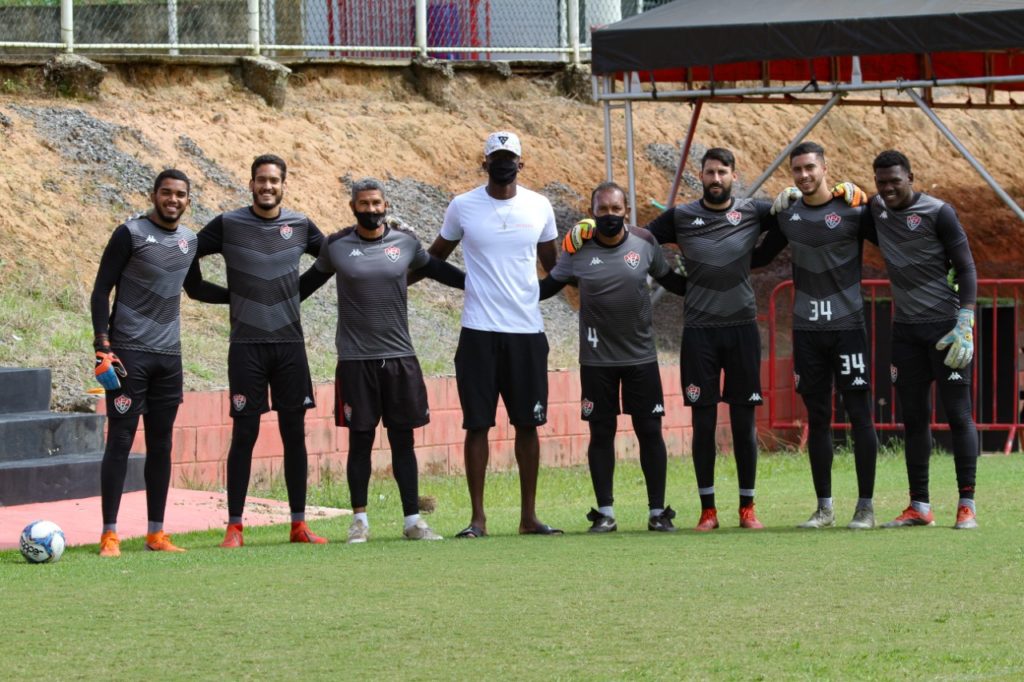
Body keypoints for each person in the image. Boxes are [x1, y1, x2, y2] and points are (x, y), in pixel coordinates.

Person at [299, 178, 465, 542]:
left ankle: (412, 522)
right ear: (353, 207)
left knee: (402, 440)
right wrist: (267, 303)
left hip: (400, 358)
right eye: (364, 204)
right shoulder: (336, 246)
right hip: (355, 361)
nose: (371, 209)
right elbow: (306, 285)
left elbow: (437, 269)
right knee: (360, 442)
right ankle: (359, 520)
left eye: (376, 203)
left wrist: (476, 284)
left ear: (385, 204)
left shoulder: (405, 243)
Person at [426, 131, 560, 538]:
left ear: (522, 163)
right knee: (477, 425)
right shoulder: (462, 206)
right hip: (478, 331)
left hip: (526, 331)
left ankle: (528, 518)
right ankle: (477, 519)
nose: (503, 163)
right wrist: (467, 283)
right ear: (483, 163)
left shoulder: (540, 206)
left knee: (528, 425)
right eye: (496, 157)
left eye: (510, 157)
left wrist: (532, 296)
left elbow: (554, 268)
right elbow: (433, 259)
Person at [191, 154, 328, 547]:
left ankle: (298, 525)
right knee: (245, 432)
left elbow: (332, 259)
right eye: (261, 180)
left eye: (274, 181)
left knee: (293, 435)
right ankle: (234, 526)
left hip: (289, 346)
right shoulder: (228, 224)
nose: (267, 187)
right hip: (246, 346)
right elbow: (187, 254)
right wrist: (214, 294)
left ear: (284, 184)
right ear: (250, 184)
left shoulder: (300, 225)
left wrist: (296, 293)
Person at [90, 169, 229, 557]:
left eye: (180, 194)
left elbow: (196, 288)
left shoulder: (189, 241)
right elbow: (102, 290)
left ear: (188, 200)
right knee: (119, 440)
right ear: (154, 195)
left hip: (169, 357)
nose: (173, 199)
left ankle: (156, 534)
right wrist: (102, 343)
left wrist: (241, 297)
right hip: (128, 354)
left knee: (162, 444)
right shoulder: (130, 234)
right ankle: (109, 534)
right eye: (166, 193)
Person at [539, 182, 687, 532]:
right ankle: (605, 513)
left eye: (615, 209)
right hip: (596, 360)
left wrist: (711, 281)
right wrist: (506, 290)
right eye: (602, 209)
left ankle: (656, 513)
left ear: (627, 212)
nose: (609, 215)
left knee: (649, 430)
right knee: (601, 433)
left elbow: (671, 280)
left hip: (641, 358)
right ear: (591, 213)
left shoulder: (645, 244)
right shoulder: (577, 249)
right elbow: (549, 287)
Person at [752, 142, 878, 529]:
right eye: (797, 171)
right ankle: (824, 508)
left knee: (860, 416)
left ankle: (866, 508)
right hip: (808, 330)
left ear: (825, 167)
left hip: (848, 328)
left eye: (810, 168)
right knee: (818, 418)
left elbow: (894, 236)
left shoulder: (854, 210)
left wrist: (869, 199)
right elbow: (756, 256)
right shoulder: (789, 215)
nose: (804, 176)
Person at [868, 150, 979, 530]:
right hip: (905, 332)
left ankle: (966, 504)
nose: (887, 188)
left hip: (947, 330)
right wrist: (844, 191)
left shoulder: (939, 212)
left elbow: (965, 266)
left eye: (894, 181)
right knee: (914, 420)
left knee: (959, 416)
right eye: (880, 183)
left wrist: (966, 318)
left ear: (910, 176)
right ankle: (920, 506)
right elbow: (847, 213)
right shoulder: (877, 210)